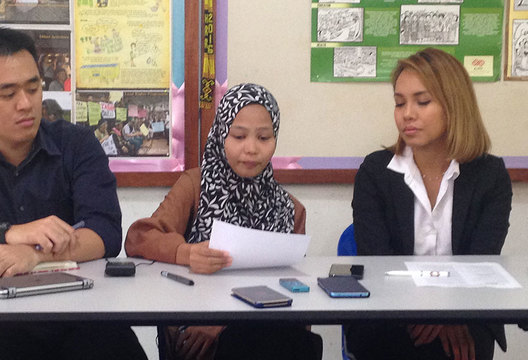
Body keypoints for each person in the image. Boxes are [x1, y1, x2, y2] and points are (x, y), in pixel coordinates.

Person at [0, 27, 147, 360]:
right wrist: (9, 236)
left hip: (82, 313)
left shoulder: (77, 144)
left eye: (33, 88)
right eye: (7, 93)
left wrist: (36, 255)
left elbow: (105, 233)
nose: (26, 104)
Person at [126, 83, 322, 360]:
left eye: (264, 138)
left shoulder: (290, 209)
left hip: (267, 327)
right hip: (198, 325)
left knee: (284, 340)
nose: (251, 149)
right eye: (239, 136)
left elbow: (291, 292)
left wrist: (224, 321)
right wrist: (186, 253)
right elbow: (139, 237)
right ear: (221, 135)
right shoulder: (195, 187)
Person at [347, 48, 512, 360]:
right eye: (399, 102)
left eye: (422, 102)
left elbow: (481, 263)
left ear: (454, 105)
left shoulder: (489, 175)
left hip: (466, 314)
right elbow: (379, 262)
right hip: (391, 315)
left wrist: (450, 316)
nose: (407, 113)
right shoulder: (375, 172)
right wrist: (428, 313)